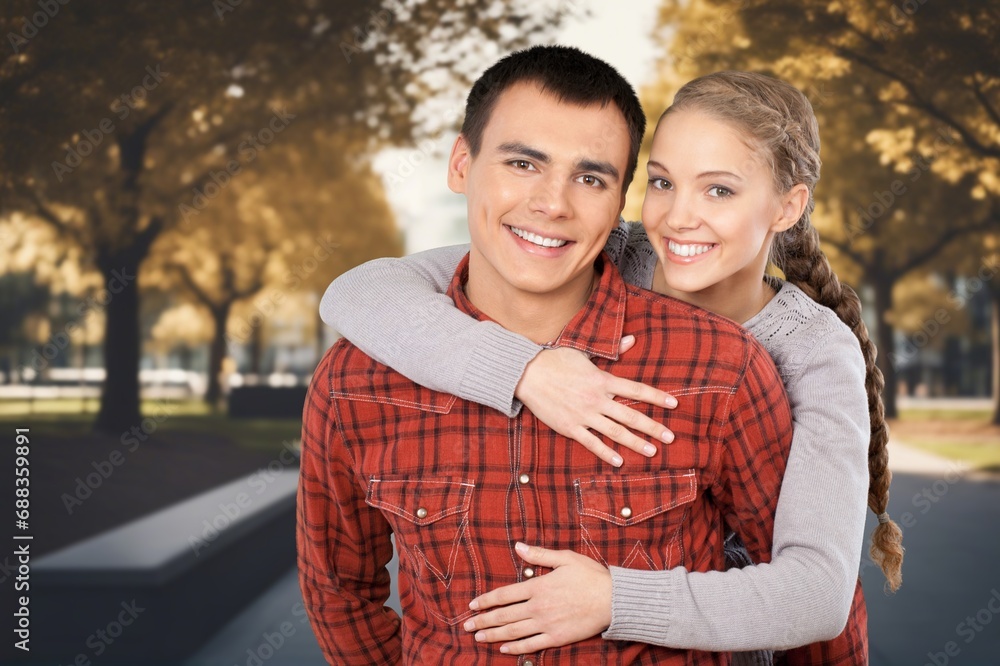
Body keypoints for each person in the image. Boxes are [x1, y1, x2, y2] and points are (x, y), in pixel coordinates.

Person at [320, 69, 905, 663]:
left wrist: (614, 601)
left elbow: (818, 595)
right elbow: (359, 292)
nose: (679, 217)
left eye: (719, 191)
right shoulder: (604, 252)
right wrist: (524, 369)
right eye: (661, 182)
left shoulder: (810, 353)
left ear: (788, 206)